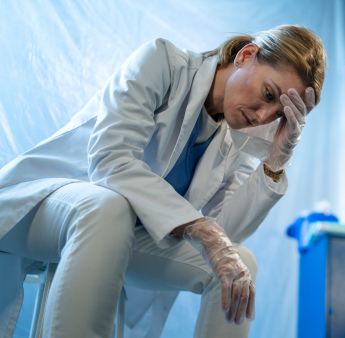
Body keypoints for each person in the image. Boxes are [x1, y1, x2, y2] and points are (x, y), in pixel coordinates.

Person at [0, 24, 326, 337]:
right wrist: (201, 228)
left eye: (280, 115)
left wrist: (276, 161)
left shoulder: (237, 142)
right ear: (245, 55)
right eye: (269, 94)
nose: (263, 117)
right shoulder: (163, 63)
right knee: (109, 206)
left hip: (121, 238)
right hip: (42, 208)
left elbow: (225, 236)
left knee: (241, 261)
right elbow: (110, 159)